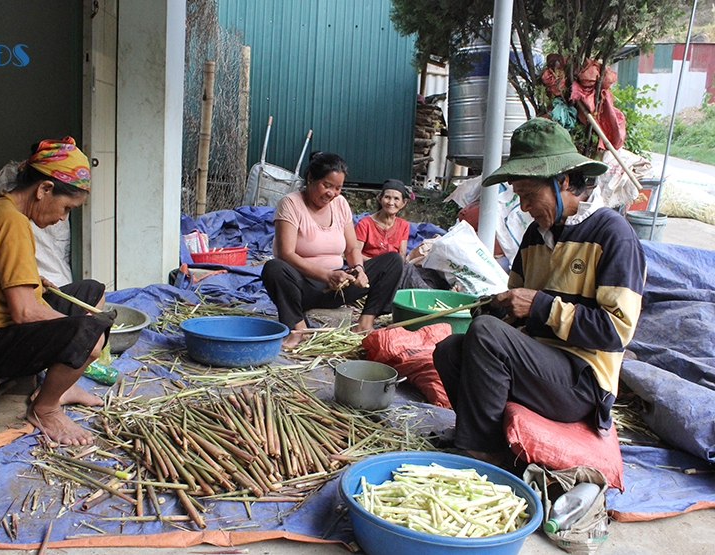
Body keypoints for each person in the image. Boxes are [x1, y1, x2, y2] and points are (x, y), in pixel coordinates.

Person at [432, 118, 646, 466]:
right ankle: (492, 443)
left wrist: (540, 306)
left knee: (487, 336)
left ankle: (481, 454)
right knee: (450, 349)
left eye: (530, 196)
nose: (526, 207)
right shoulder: (536, 235)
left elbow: (615, 331)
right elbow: (516, 311)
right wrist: (495, 308)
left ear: (562, 181)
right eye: (521, 198)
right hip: (539, 365)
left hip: (583, 380)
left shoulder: (613, 235)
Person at [0, 137, 115, 446]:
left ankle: (62, 386)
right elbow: (24, 312)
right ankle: (45, 409)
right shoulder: (11, 222)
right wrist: (78, 334)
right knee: (90, 335)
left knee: (90, 291)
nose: (62, 217)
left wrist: (35, 281)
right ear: (44, 190)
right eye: (65, 208)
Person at [262, 151, 403, 348]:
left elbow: (353, 247)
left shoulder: (340, 204)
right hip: (303, 288)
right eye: (326, 185)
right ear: (311, 178)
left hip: (339, 286)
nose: (332, 193)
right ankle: (298, 328)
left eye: (337, 188)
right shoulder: (290, 204)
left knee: (393, 261)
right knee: (274, 268)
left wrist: (359, 270)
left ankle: (365, 323)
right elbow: (287, 254)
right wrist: (326, 276)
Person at [355, 178, 411, 261]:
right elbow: (355, 254)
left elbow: (402, 256)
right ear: (380, 198)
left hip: (393, 270)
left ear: (404, 203)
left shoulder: (403, 225)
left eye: (396, 199)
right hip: (369, 268)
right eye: (387, 197)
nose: (391, 203)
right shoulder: (365, 224)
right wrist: (381, 264)